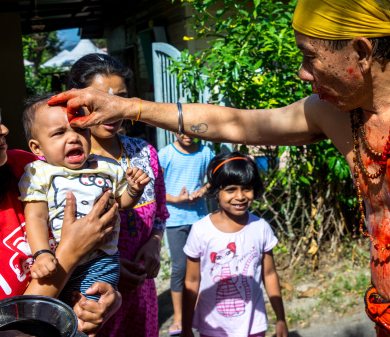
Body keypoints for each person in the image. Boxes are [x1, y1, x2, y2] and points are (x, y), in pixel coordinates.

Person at [48, 0, 390, 334]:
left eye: (310, 56)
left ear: (360, 51)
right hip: (385, 314)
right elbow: (234, 123)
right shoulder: (333, 113)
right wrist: (130, 107)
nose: (303, 73)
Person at [0, 71, 121, 335]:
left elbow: (98, 241)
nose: (2, 129)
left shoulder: (28, 170)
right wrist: (69, 254)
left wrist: (108, 297)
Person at [67, 53, 169, 337]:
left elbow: (160, 213)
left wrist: (155, 244)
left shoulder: (144, 153)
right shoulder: (65, 165)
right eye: (100, 98)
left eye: (120, 98)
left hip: (142, 293)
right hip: (91, 296)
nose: (112, 109)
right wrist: (108, 270)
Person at [18, 95, 150, 306]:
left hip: (103, 260)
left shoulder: (108, 167)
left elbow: (123, 204)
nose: (73, 138)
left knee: (87, 309)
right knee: (58, 313)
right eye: (59, 133)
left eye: (81, 129)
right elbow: (35, 216)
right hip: (60, 262)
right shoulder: (38, 173)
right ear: (37, 148)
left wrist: (134, 190)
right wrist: (41, 253)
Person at [181, 152, 288, 337]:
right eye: (231, 189)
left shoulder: (261, 228)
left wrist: (281, 319)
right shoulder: (200, 231)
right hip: (212, 327)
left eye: (246, 188)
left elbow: (269, 274)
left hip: (254, 326)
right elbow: (191, 281)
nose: (240, 196)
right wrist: (186, 326)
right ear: (216, 192)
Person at [158, 132, 214, 335]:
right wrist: (174, 199)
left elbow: (214, 179)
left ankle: (199, 312)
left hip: (199, 219)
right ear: (173, 130)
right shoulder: (165, 154)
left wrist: (203, 190)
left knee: (203, 267)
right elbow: (156, 187)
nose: (188, 135)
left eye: (193, 130)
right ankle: (179, 316)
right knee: (180, 268)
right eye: (182, 130)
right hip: (175, 220)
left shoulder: (206, 152)